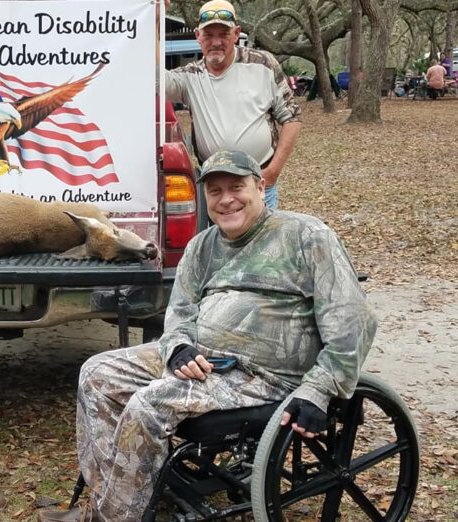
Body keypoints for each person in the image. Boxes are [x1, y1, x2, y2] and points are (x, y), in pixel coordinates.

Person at [37, 149, 377, 522]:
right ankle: (114, 499)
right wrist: (178, 347)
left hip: (265, 376)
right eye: (215, 191)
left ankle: (113, 518)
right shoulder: (203, 246)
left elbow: (352, 321)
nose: (226, 198)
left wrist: (319, 390)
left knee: (149, 405)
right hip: (204, 360)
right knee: (96, 374)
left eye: (237, 186)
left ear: (260, 186)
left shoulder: (306, 236)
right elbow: (180, 312)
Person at [164, 0, 301, 210]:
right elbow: (153, 79)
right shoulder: (190, 77)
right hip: (216, 187)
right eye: (208, 35)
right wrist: (153, 20)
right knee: (221, 242)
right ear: (197, 36)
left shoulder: (262, 64)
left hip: (258, 181)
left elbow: (291, 118)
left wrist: (273, 171)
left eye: (224, 34)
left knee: (263, 241)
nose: (216, 42)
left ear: (236, 34)